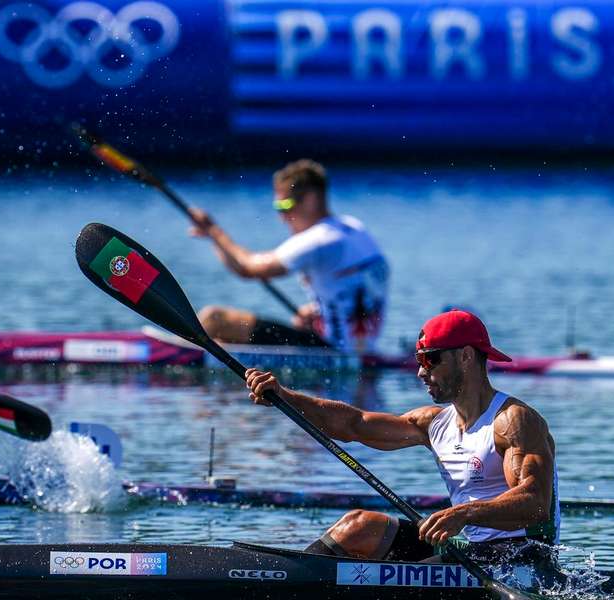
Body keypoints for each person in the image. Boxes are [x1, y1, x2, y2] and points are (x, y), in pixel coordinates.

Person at [245, 309, 560, 568]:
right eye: (419, 360)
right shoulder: (434, 423)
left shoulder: (513, 421)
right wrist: (286, 397)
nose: (421, 372)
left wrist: (464, 513)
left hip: (520, 557)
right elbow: (355, 424)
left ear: (465, 356)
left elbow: (534, 504)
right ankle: (285, 576)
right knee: (359, 525)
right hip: (467, 546)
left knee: (414, 573)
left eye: (431, 359)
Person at [189, 159, 388, 352]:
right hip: (362, 350)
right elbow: (360, 290)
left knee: (214, 320)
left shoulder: (318, 239)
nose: (281, 217)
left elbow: (247, 268)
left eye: (284, 206)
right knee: (224, 339)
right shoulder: (354, 228)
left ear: (310, 199)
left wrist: (213, 231)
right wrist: (318, 311)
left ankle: (176, 355)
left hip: (332, 350)